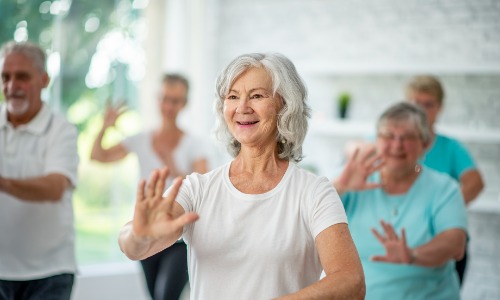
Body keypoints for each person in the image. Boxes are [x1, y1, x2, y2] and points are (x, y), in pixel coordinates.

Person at [118, 53, 365, 299]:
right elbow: (133, 246)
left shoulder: (314, 192)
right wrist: (139, 235)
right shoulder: (198, 188)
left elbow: (350, 282)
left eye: (257, 95)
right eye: (233, 96)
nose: (242, 107)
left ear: (285, 105)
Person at [333, 102, 468, 299]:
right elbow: (305, 217)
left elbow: (455, 243)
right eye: (388, 135)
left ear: (425, 144)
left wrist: (412, 255)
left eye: (408, 137)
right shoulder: (352, 180)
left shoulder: (444, 188)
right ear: (376, 140)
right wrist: (340, 186)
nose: (397, 145)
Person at [91, 73, 208, 300]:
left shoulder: (194, 144)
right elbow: (97, 155)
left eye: (175, 100)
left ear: (184, 104)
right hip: (146, 229)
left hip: (178, 236)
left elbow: (204, 185)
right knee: (155, 296)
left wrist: (172, 166)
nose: (168, 105)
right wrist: (104, 126)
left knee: (166, 296)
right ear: (157, 99)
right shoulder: (141, 140)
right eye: (164, 98)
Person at [0, 41, 79, 299]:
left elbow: (55, 188)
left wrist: (4, 183)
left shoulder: (61, 130)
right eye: (5, 77)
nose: (12, 86)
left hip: (50, 273)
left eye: (22, 77)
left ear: (44, 80)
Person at [405, 75, 484, 284]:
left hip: (445, 244)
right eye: (416, 104)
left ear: (439, 108)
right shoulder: (393, 145)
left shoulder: (451, 148)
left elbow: (475, 183)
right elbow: (357, 149)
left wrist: (446, 207)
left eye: (428, 104)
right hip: (406, 244)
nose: (421, 110)